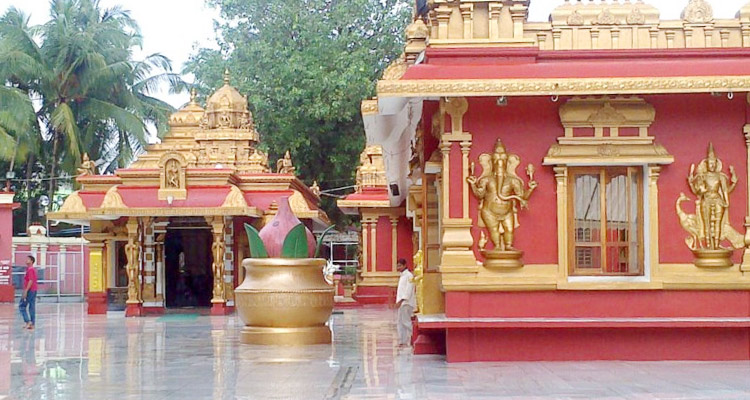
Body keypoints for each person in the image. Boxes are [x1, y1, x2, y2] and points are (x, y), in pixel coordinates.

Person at [395, 258, 416, 348]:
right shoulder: (402, 276)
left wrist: (401, 300)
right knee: (400, 322)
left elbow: (408, 290)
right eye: (397, 265)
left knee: (406, 322)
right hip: (402, 303)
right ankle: (402, 341)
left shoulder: (409, 276)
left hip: (406, 303)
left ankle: (415, 335)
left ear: (404, 265)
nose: (398, 267)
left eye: (400, 265)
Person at [19, 255, 38, 330]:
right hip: (33, 289)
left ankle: (28, 321)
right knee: (31, 307)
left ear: (32, 261)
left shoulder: (30, 269)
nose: (26, 260)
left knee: (22, 306)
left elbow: (30, 280)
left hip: (30, 290)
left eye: (28, 259)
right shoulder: (30, 269)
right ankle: (32, 324)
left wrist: (26, 291)